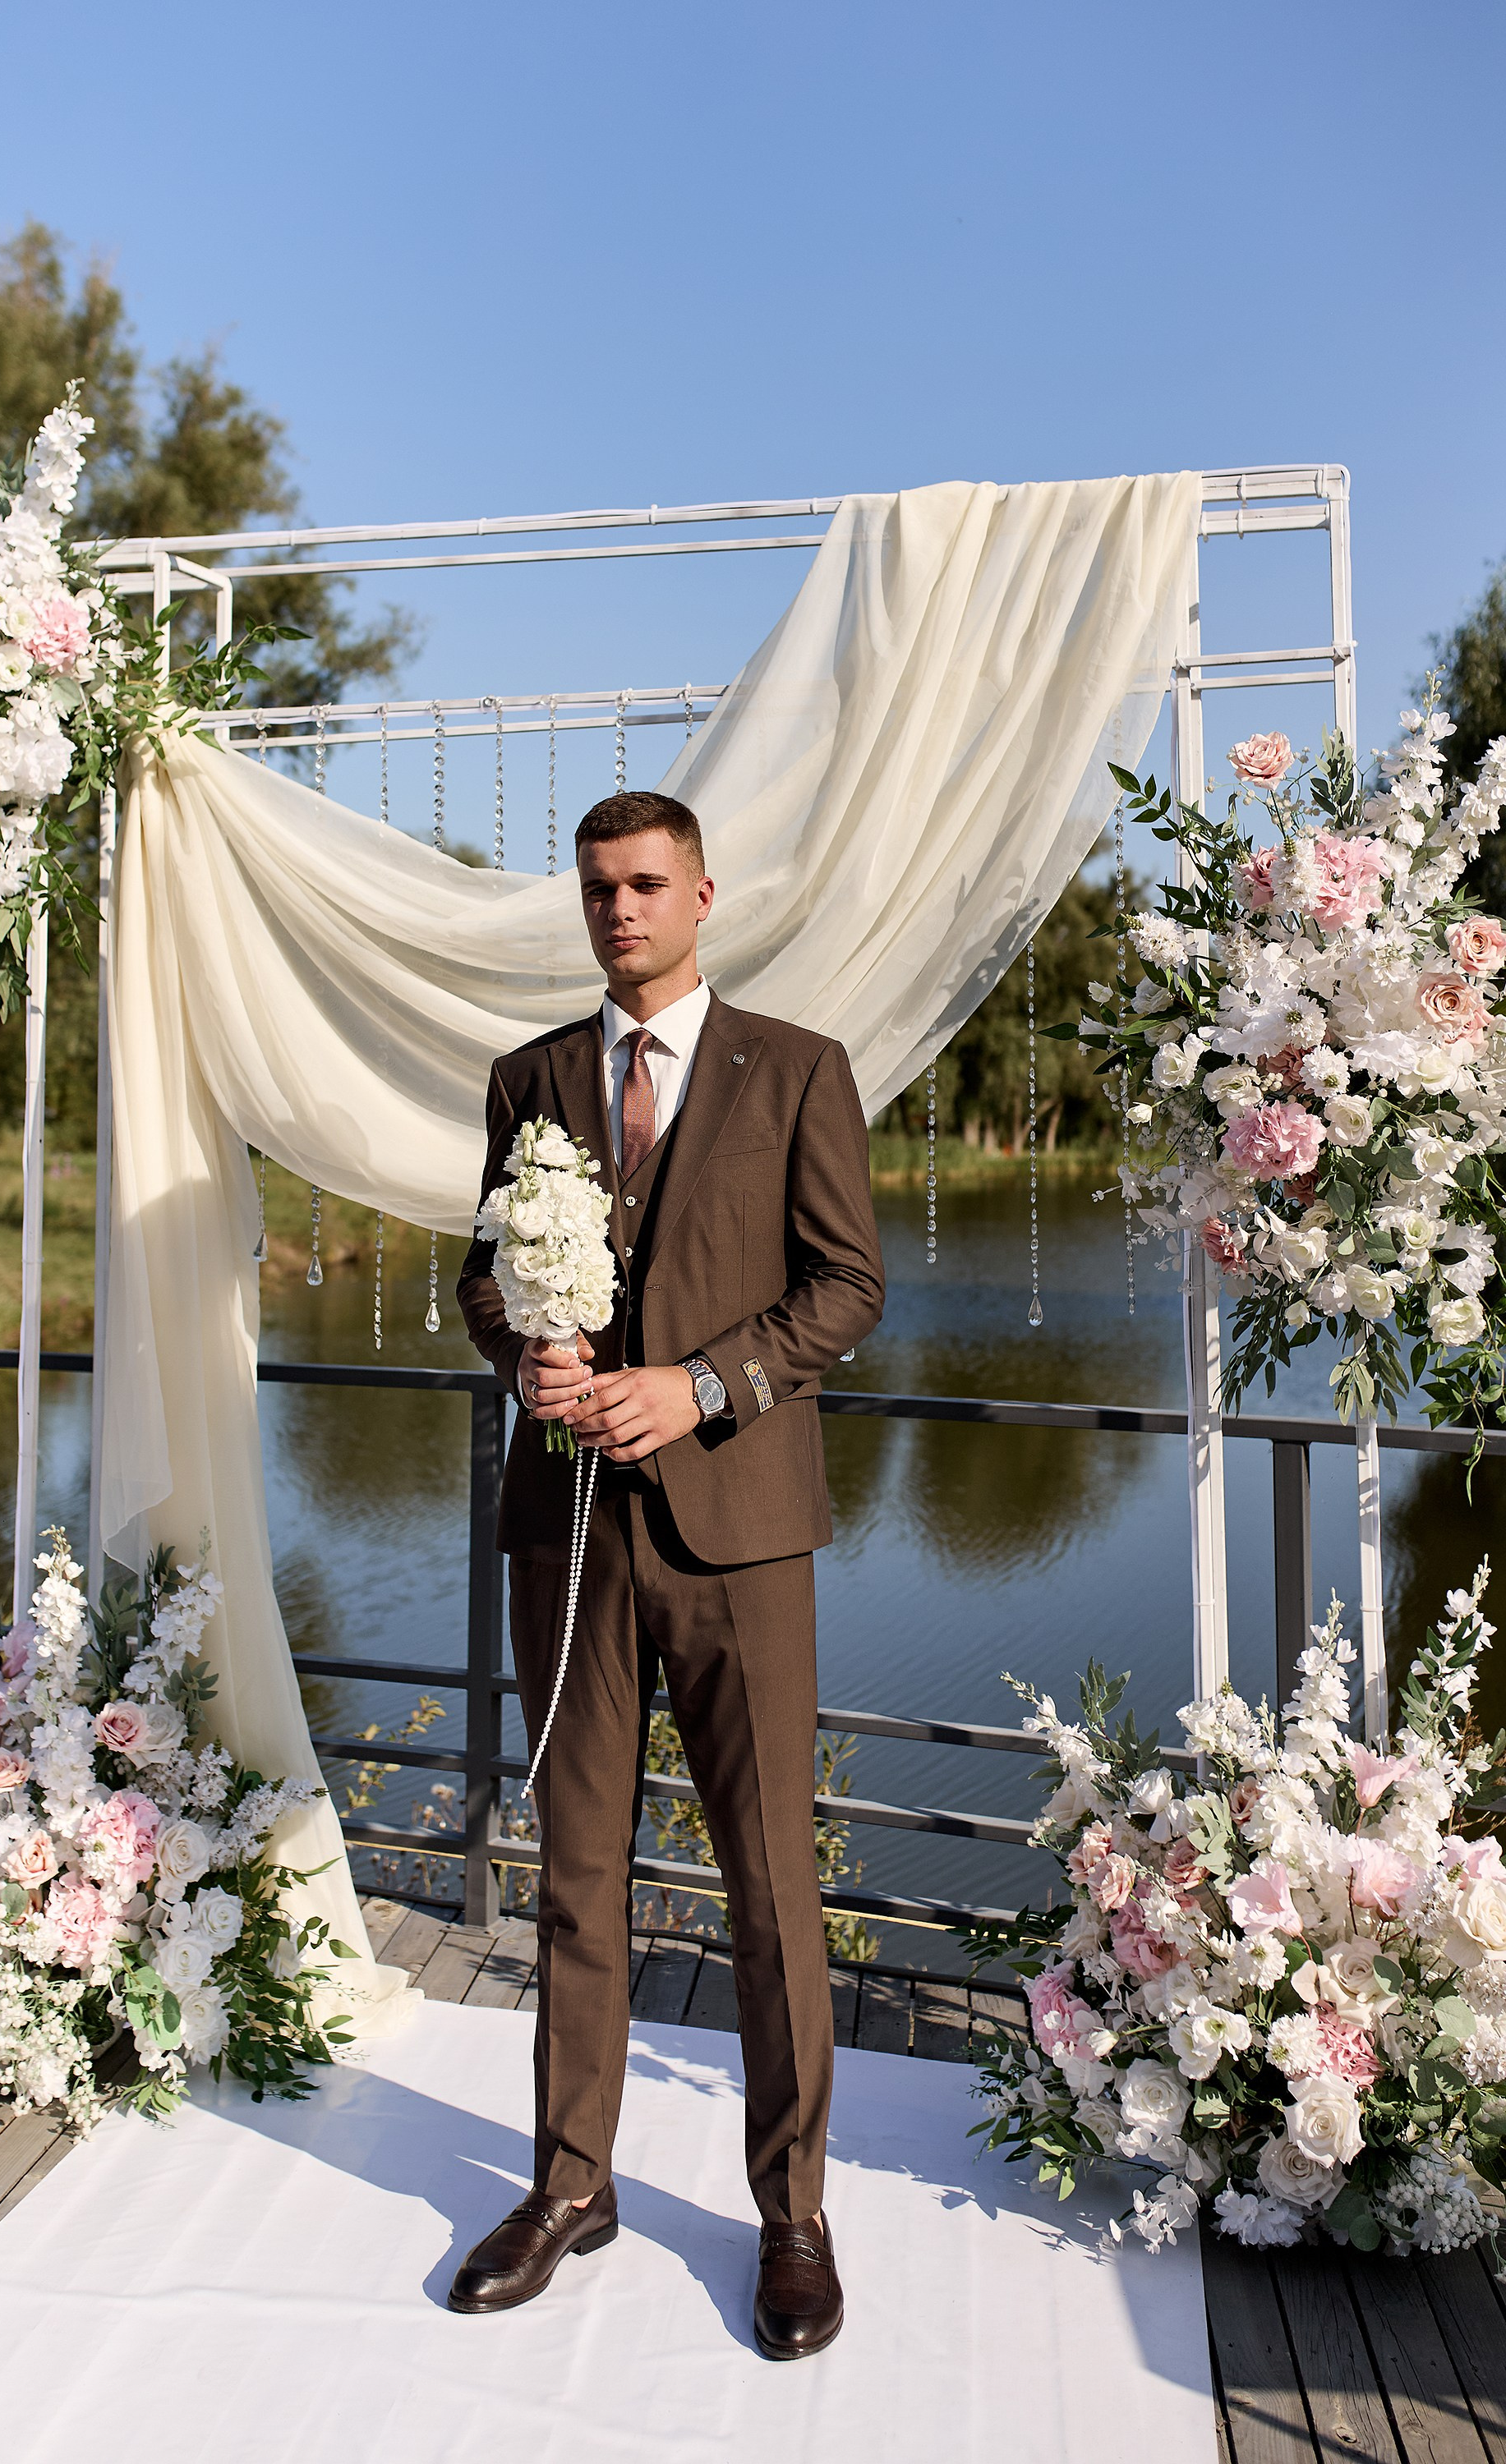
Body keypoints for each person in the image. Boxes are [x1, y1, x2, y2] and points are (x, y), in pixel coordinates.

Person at [454, 788, 884, 2361]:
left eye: (645, 884)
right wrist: (534, 1359)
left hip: (738, 1535)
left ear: (705, 894)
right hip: (565, 1529)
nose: (618, 910)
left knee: (771, 1885)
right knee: (577, 1872)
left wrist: (700, 1387)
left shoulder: (800, 1070)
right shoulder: (531, 1079)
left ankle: (792, 2212)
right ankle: (572, 2185)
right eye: (596, 888)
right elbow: (480, 1280)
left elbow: (849, 1288)